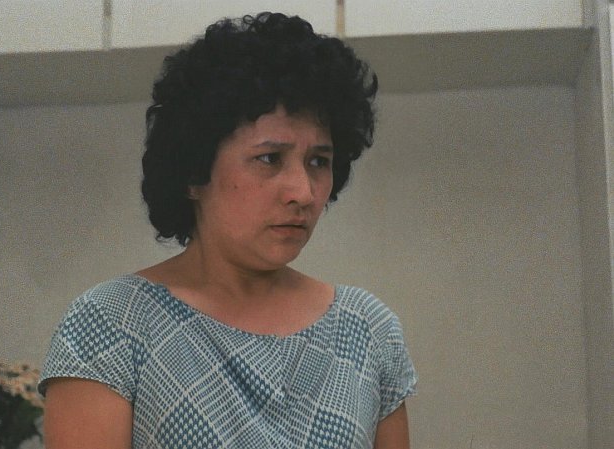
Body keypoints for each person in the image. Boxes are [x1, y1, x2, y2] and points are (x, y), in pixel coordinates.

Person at [38, 12, 417, 449]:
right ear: (194, 172)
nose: (303, 192)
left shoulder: (367, 330)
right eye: (269, 159)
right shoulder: (112, 324)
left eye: (319, 162)